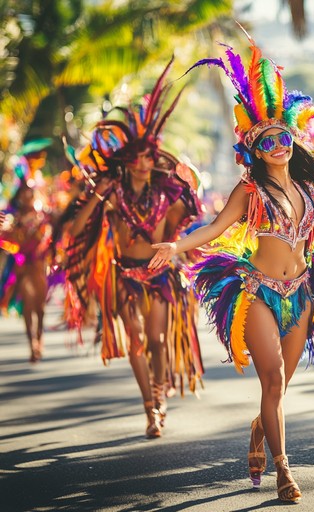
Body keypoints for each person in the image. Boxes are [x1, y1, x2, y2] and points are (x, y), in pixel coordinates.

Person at [150, 37, 314, 502]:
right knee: (272, 380)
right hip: (258, 295)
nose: (278, 145)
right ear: (254, 148)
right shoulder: (247, 193)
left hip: (302, 293)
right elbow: (213, 229)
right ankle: (283, 469)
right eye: (267, 141)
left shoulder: (312, 194)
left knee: (280, 388)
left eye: (283, 137)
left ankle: (260, 428)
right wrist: (175, 246)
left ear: (294, 140)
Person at [64, 58, 204, 438]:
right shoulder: (113, 193)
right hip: (124, 274)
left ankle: (160, 395)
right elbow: (77, 229)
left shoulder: (166, 191)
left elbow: (193, 212)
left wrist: (185, 179)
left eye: (148, 157)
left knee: (157, 340)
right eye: (136, 158)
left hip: (160, 274)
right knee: (136, 341)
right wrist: (97, 194)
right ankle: (150, 408)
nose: (143, 164)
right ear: (125, 161)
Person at [0, 139, 53, 362]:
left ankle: (39, 339)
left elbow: (50, 234)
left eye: (30, 193)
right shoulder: (13, 216)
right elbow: (5, 238)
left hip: (39, 261)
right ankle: (32, 343)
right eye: (24, 194)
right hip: (22, 262)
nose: (27, 196)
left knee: (39, 307)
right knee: (27, 307)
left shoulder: (42, 213)